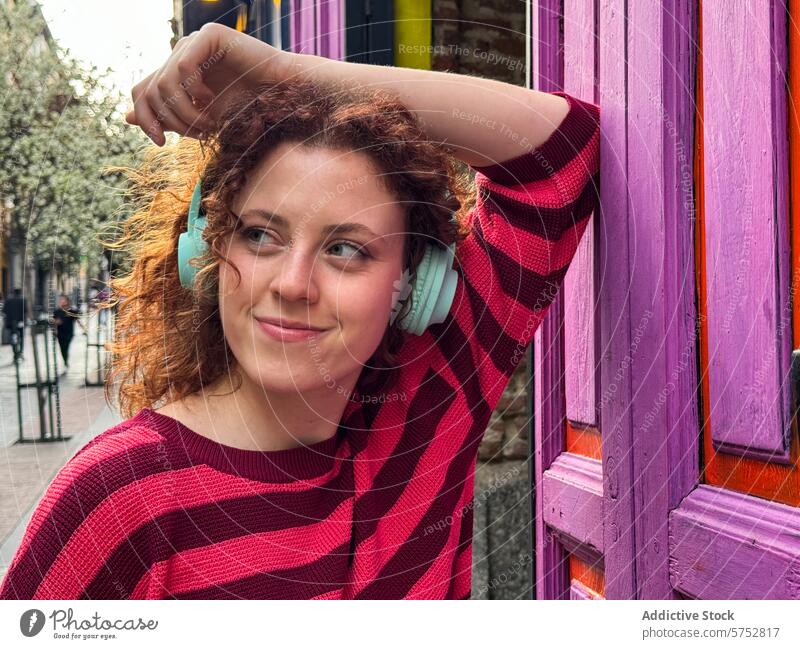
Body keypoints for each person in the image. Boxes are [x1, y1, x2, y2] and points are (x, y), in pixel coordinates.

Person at [0, 24, 600, 599]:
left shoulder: (433, 401)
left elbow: (562, 153)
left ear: (414, 286)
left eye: (345, 249)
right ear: (206, 249)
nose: (292, 284)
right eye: (261, 235)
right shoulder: (118, 494)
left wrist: (281, 75)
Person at [51, 294, 86, 372]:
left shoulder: (71, 311)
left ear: (67, 301)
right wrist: (56, 322)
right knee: (62, 349)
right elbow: (53, 321)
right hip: (60, 333)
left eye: (63, 300)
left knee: (66, 347)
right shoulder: (57, 311)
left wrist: (83, 329)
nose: (61, 301)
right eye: (60, 300)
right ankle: (65, 361)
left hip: (69, 333)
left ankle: (65, 361)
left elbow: (77, 320)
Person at [3, 287, 27, 359]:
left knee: (13, 337)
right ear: (20, 293)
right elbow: (25, 311)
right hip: (20, 322)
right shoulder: (22, 300)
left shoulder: (8, 300)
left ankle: (15, 353)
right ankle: (21, 352)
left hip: (11, 323)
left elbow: (4, 310)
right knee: (21, 337)